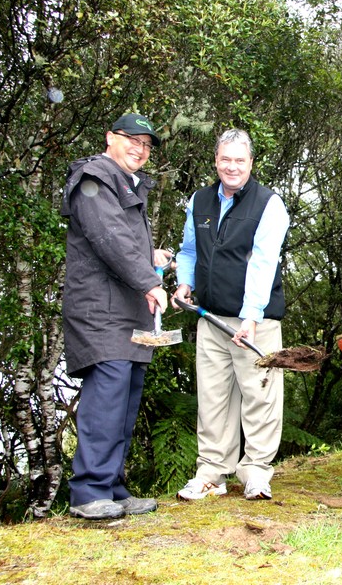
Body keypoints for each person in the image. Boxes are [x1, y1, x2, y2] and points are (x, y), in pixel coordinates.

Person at [61, 112, 171, 520]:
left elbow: (122, 242)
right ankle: (88, 491)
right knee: (105, 399)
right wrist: (149, 279)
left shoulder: (126, 182)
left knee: (125, 400)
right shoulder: (94, 178)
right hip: (100, 312)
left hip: (129, 314)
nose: (139, 149)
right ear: (110, 137)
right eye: (132, 139)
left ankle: (113, 487)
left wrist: (151, 258)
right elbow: (108, 238)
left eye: (146, 145)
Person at [172, 129, 290, 501]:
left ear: (251, 163)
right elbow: (189, 250)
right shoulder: (200, 200)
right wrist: (184, 284)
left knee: (260, 395)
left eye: (240, 160)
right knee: (213, 397)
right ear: (216, 161)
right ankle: (212, 473)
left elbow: (263, 262)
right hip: (211, 318)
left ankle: (256, 473)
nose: (232, 167)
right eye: (226, 159)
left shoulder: (269, 204)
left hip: (256, 320)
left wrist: (251, 317)